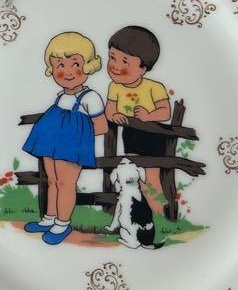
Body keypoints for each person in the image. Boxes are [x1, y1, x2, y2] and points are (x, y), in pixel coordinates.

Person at [21, 31, 108, 245]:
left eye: (75, 64)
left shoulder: (90, 97)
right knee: (52, 181)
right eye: (60, 65)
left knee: (65, 183)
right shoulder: (61, 96)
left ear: (88, 66)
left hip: (70, 148)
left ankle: (62, 223)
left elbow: (101, 126)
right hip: (51, 145)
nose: (67, 72)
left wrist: (75, 138)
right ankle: (49, 218)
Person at [105, 25, 171, 208]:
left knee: (151, 176)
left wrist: (148, 116)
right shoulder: (114, 87)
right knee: (134, 173)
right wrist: (114, 115)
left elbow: (166, 112)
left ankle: (158, 211)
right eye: (112, 58)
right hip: (131, 135)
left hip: (152, 135)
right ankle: (140, 211)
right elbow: (109, 110)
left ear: (143, 68)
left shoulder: (154, 87)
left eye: (125, 62)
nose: (115, 66)